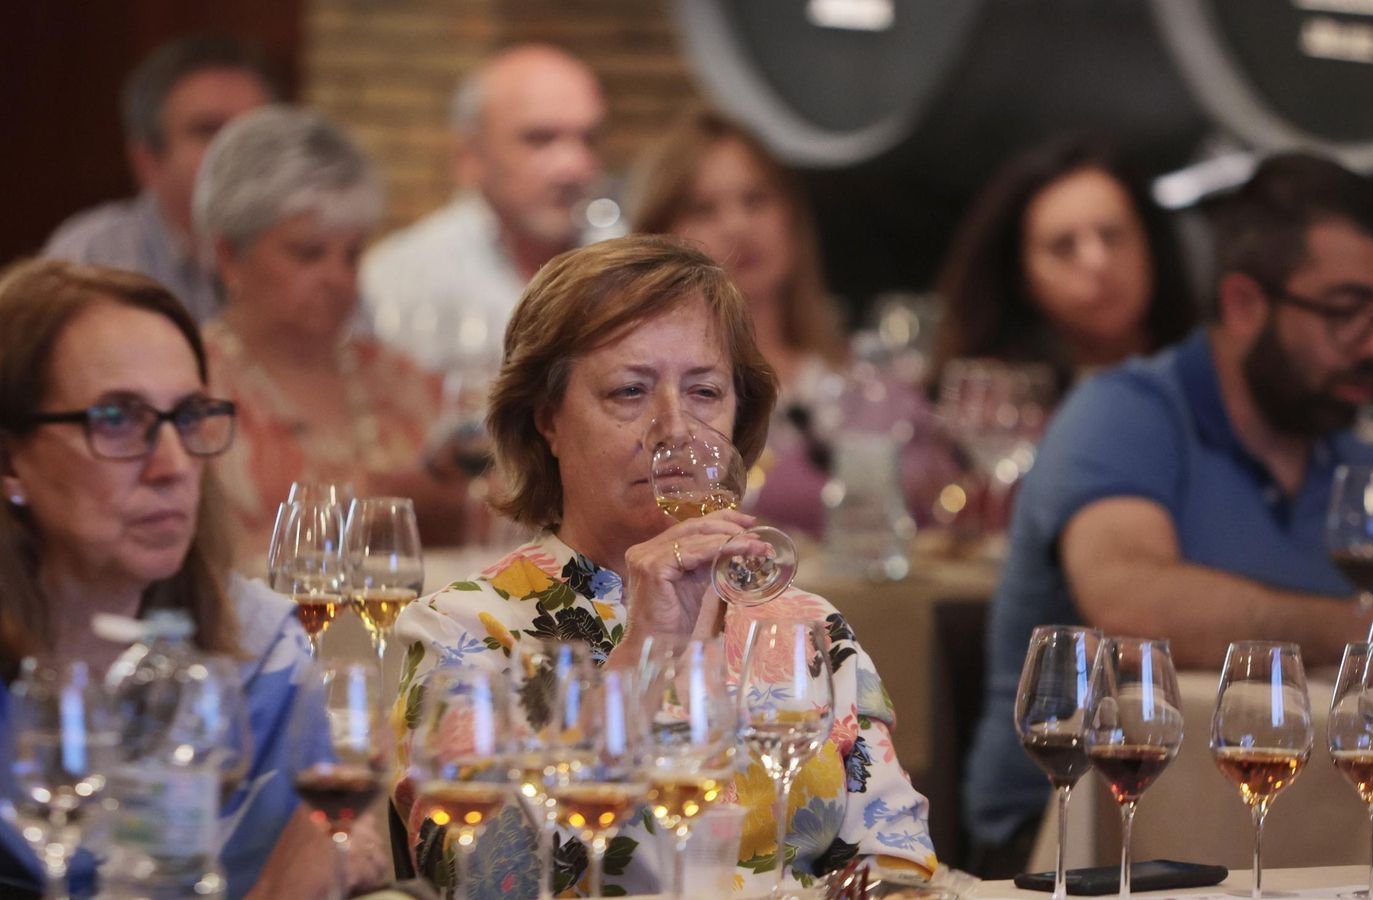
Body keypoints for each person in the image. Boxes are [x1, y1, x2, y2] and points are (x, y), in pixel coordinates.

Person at [391, 235, 939, 897]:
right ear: (548, 422)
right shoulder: (465, 629)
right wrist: (642, 660)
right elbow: (477, 879)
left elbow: (902, 863)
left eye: (705, 391)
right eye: (629, 391)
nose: (675, 427)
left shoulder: (806, 629)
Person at [963, 152, 1373, 875]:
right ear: (1242, 304)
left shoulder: (1353, 465)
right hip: (1073, 842)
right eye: (1345, 311)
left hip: (1305, 835)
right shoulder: (1128, 414)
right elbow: (1131, 601)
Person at [0, 259, 390, 896]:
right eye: (117, 419)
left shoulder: (261, 661)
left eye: (189, 416)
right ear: (5, 457)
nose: (172, 465)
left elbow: (336, 849)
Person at [632, 107, 947, 536]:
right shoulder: (648, 399)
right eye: (704, 209)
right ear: (657, 238)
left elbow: (938, 517)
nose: (739, 226)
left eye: (756, 200)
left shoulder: (873, 387)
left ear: (792, 217)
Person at [193, 105, 469, 568]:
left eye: (351, 254)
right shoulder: (194, 386)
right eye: (308, 253)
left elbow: (489, 510)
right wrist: (366, 504)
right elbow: (201, 562)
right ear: (229, 256)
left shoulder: (394, 376)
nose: (336, 277)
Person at [360, 44, 607, 373]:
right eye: (540, 139)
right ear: (470, 156)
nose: (574, 166)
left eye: (588, 139)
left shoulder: (630, 265)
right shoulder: (400, 281)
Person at [43, 33, 275, 323]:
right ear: (147, 161)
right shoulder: (91, 257)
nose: (236, 151)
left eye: (253, 131)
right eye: (208, 130)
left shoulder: (312, 251)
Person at [930, 136, 1196, 389]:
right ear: (1020, 276)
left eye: (1112, 235)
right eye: (1063, 247)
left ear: (1151, 243)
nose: (1097, 262)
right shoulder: (994, 409)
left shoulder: (1216, 373)